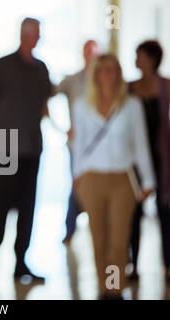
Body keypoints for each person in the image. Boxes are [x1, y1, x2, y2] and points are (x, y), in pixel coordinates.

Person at [72, 54, 155, 299]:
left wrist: (148, 181)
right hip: (92, 179)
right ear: (95, 75)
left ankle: (114, 289)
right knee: (98, 240)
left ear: (119, 75)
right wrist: (77, 176)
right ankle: (102, 288)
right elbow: (79, 146)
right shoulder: (81, 106)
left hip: (122, 180)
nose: (108, 75)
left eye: (112, 70)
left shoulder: (131, 106)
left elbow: (141, 146)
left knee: (119, 242)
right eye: (103, 70)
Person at [0, 17, 52, 284]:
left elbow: (45, 105)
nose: (38, 38)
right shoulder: (0, 66)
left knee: (27, 207)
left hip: (33, 146)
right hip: (8, 144)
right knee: (1, 205)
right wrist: (0, 127)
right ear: (24, 34)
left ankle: (21, 265)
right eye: (35, 33)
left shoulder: (41, 69)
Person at [128, 40, 170, 282]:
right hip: (134, 159)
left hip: (161, 157)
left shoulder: (165, 86)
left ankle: (167, 265)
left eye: (139, 55)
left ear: (151, 59)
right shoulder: (129, 88)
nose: (136, 59)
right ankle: (132, 265)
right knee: (133, 213)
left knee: (165, 212)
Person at [56, 40, 101, 244]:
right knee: (77, 186)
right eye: (87, 51)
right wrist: (61, 127)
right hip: (76, 145)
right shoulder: (72, 80)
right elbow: (48, 95)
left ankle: (98, 230)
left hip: (100, 148)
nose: (90, 55)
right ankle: (70, 229)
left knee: (96, 187)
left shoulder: (104, 80)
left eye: (94, 51)